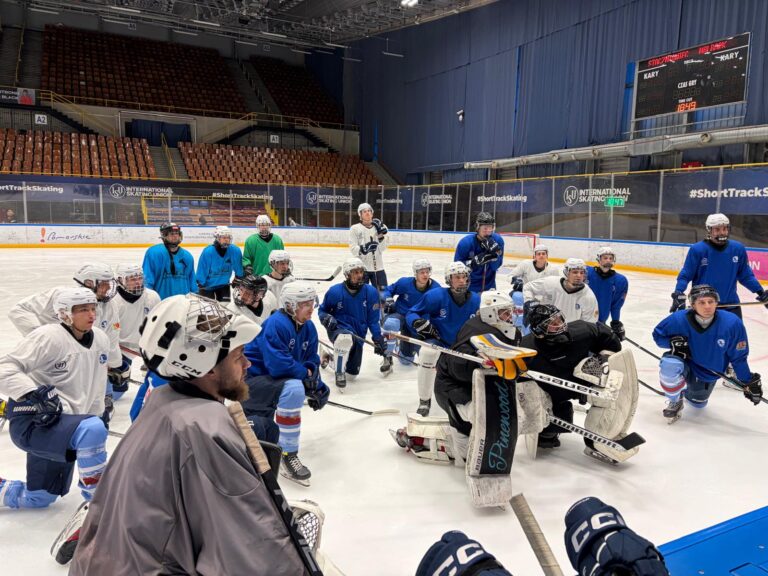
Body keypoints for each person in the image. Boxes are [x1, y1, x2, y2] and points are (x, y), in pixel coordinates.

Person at [68, 294, 312, 575]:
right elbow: (251, 552)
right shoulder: (205, 429)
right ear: (207, 366)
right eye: (238, 356)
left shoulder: (162, 401)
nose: (247, 365)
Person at [0, 287, 110, 566]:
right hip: (34, 421)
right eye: (82, 310)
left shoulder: (100, 339)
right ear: (64, 314)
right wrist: (33, 393)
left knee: (40, 498)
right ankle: (99, 510)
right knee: (92, 429)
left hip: (64, 427)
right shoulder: (48, 336)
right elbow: (4, 367)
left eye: (92, 308)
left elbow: (96, 386)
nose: (91, 314)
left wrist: (97, 415)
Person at [519, 303, 638, 464]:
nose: (559, 324)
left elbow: (608, 338)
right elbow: (518, 382)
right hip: (551, 393)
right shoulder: (525, 349)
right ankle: (549, 430)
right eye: (552, 323)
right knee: (547, 435)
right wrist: (532, 410)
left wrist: (605, 356)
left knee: (606, 398)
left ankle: (596, 442)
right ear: (539, 331)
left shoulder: (582, 331)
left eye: (559, 319)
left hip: (582, 382)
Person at [243, 282, 329, 486]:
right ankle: (288, 453)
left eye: (312, 303)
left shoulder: (308, 327)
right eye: (305, 304)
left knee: (267, 434)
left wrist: (316, 384)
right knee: (293, 389)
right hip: (251, 385)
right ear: (290, 305)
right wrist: (306, 378)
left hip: (272, 383)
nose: (311, 309)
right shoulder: (277, 324)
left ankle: (280, 448)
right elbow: (278, 366)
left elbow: (311, 359)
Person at [8, 263, 125, 404]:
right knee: (45, 396)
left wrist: (115, 364)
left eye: (109, 283)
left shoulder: (109, 306)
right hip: (53, 358)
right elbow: (19, 310)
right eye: (104, 284)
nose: (108, 288)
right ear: (89, 283)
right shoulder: (60, 296)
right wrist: (41, 337)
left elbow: (111, 337)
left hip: (83, 356)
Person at [652, 284, 761, 422]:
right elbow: (658, 336)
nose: (707, 306)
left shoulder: (732, 323)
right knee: (669, 365)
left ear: (717, 303)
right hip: (685, 362)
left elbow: (738, 357)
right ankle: (675, 399)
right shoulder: (678, 319)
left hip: (707, 373)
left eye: (711, 301)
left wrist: (747, 381)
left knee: (697, 404)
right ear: (693, 305)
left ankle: (688, 392)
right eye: (701, 302)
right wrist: (672, 343)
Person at [406, 262, 481, 416]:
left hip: (465, 345)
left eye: (464, 277)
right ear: (449, 280)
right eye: (457, 277)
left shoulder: (476, 300)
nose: (462, 280)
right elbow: (412, 313)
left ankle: (478, 397)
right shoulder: (436, 296)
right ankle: (424, 399)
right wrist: (416, 322)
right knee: (427, 353)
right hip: (440, 341)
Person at [671, 213, 767, 318]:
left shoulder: (737, 249)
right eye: (717, 229)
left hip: (731, 306)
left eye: (725, 229)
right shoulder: (698, 250)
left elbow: (746, 276)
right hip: (704, 306)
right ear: (709, 230)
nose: (722, 233)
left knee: (737, 329)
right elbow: (686, 275)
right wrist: (678, 292)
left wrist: (761, 293)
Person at [319, 257, 388, 387]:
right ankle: (339, 372)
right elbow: (322, 311)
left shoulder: (371, 292)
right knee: (345, 338)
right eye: (355, 272)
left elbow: (373, 320)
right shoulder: (335, 291)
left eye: (361, 272)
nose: (360, 275)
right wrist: (326, 318)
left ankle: (329, 358)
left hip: (359, 335)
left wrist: (377, 337)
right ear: (347, 274)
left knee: (351, 376)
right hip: (339, 329)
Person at [381, 258, 442, 365]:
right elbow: (387, 290)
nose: (425, 275)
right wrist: (388, 298)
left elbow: (440, 308)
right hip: (400, 315)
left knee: (406, 361)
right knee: (391, 323)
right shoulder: (404, 283)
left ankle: (399, 348)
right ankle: (388, 356)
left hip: (417, 323)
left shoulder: (436, 289)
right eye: (422, 272)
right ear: (415, 273)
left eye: (427, 271)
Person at [113, 264, 160, 389]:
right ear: (120, 280)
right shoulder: (113, 301)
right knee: (119, 389)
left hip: (146, 346)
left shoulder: (152, 296)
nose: (138, 282)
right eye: (132, 279)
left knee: (158, 382)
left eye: (140, 278)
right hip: (120, 348)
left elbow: (158, 324)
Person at [523, 257, 599, 324]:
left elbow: (590, 326)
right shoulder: (551, 283)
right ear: (566, 273)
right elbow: (528, 287)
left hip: (572, 334)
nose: (579, 276)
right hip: (545, 329)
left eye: (582, 273)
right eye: (575, 272)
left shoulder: (589, 296)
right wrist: (528, 302)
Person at [142, 222, 196, 300]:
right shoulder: (154, 253)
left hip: (183, 302)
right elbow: (147, 279)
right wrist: (148, 299)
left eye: (177, 233)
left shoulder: (188, 256)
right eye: (171, 234)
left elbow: (192, 280)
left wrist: (194, 296)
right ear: (164, 235)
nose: (175, 236)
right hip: (162, 302)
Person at [454, 212, 505, 292]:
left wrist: (494, 255)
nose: (488, 231)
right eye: (485, 228)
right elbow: (456, 268)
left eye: (490, 227)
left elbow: (495, 267)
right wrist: (472, 263)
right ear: (477, 228)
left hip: (489, 287)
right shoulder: (466, 243)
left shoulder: (498, 240)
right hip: (468, 287)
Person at [586, 246, 629, 341]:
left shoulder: (620, 281)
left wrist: (615, 321)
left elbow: (616, 304)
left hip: (601, 322)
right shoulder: (586, 273)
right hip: (582, 320)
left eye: (611, 258)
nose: (608, 260)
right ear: (598, 259)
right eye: (605, 258)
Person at [195, 226, 244, 301]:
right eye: (224, 237)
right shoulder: (208, 252)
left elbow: (238, 267)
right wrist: (200, 283)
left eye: (228, 237)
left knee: (224, 305)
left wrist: (238, 278)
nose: (227, 240)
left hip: (223, 285)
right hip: (207, 286)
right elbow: (202, 270)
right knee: (208, 307)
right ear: (217, 238)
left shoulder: (235, 250)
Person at [349, 202, 389, 289]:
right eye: (364, 211)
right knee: (361, 294)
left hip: (378, 268)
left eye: (369, 211)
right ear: (360, 215)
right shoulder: (355, 228)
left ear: (372, 213)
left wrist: (380, 235)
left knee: (383, 294)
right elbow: (353, 249)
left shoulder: (381, 226)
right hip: (361, 269)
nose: (367, 213)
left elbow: (383, 248)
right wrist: (364, 248)